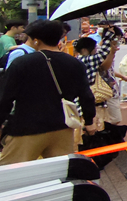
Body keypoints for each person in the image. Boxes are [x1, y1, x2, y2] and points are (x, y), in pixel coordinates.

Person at [0, 20, 96, 165]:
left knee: (12, 175)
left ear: (36, 40)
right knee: (60, 172)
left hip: (26, 128)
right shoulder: (75, 63)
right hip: (63, 127)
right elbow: (86, 95)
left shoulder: (22, 63)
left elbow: (5, 98)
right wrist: (89, 121)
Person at [73, 25, 120, 128]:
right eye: (94, 48)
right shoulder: (87, 60)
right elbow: (103, 53)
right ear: (85, 50)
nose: (95, 50)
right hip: (91, 101)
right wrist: (109, 34)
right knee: (95, 128)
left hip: (84, 101)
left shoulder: (77, 59)